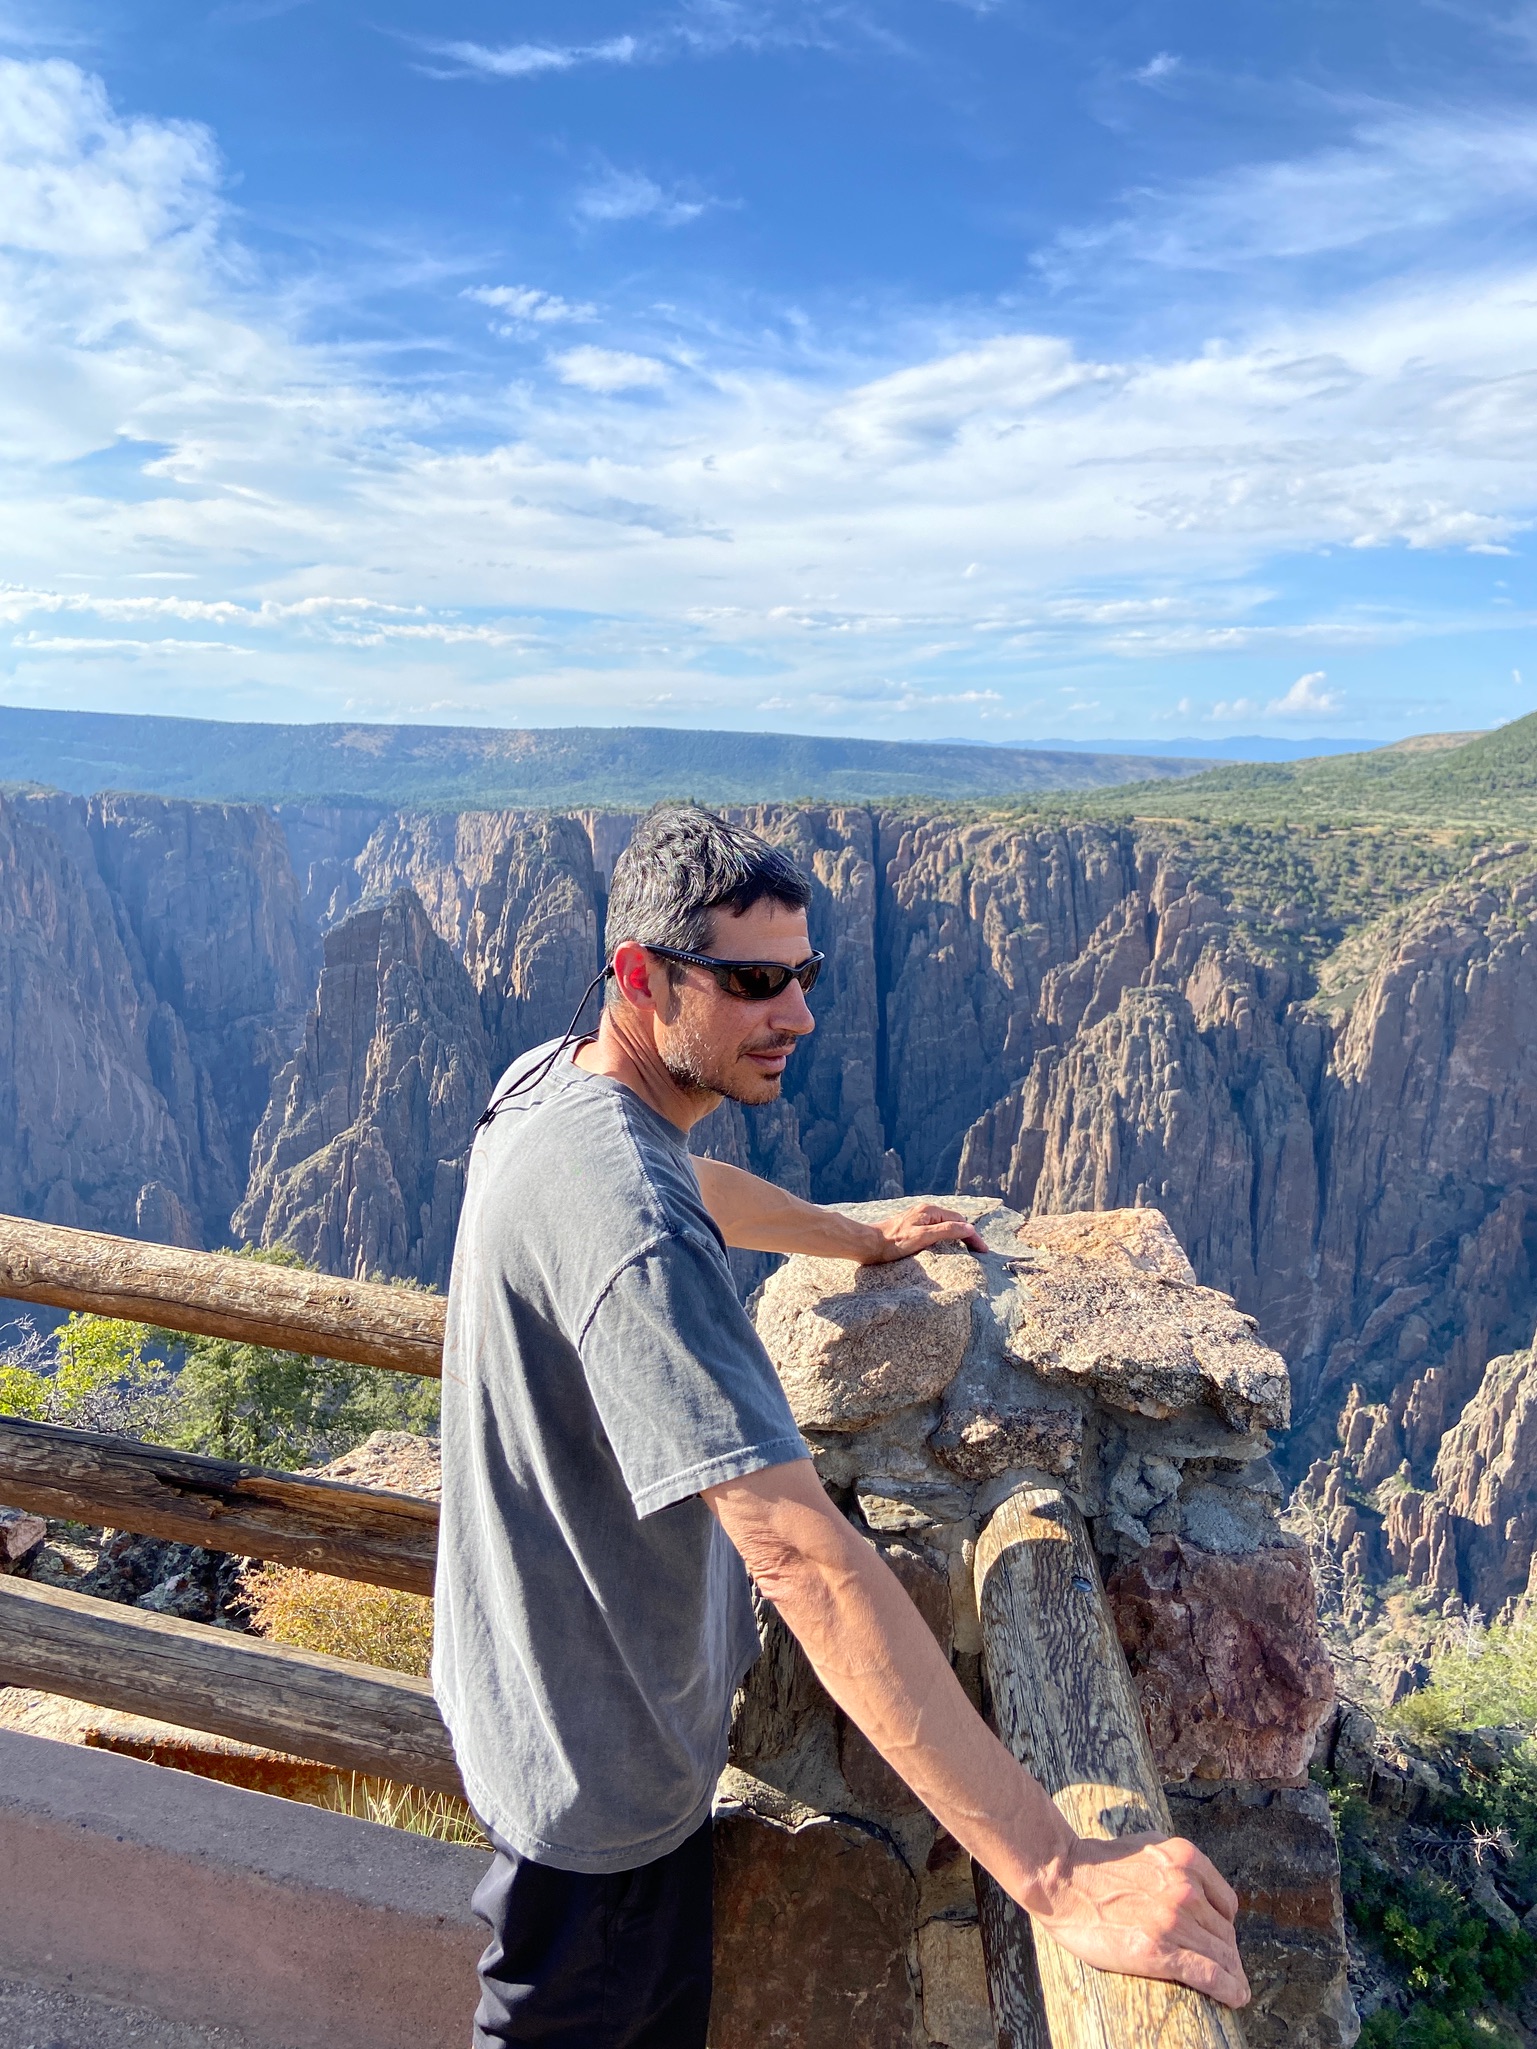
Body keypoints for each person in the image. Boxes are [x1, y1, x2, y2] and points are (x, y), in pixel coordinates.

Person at [432, 803, 1250, 2047]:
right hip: (594, 1768)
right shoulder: (631, 1231)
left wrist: (855, 1236)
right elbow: (802, 1557)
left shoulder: (552, 1089)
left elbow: (686, 1185)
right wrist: (1057, 1871)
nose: (799, 1015)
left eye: (803, 975)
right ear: (642, 979)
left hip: (538, 1689)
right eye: (755, 981)